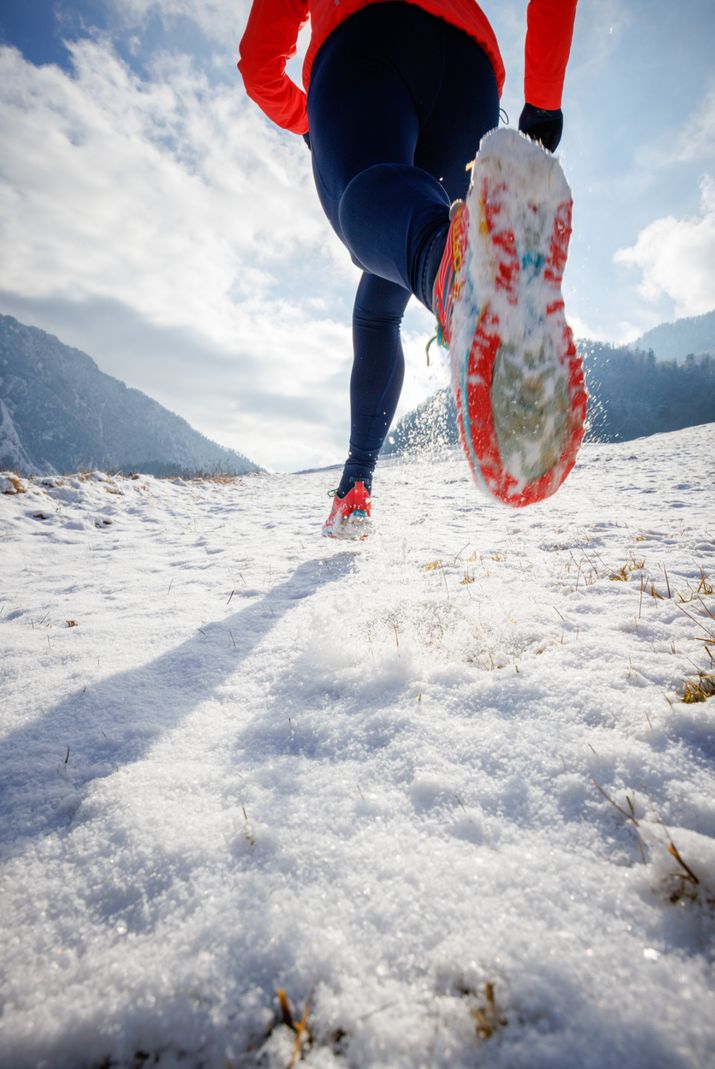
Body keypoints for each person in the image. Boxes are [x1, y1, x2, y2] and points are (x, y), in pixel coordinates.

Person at [239, 0, 579, 537]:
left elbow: (258, 64)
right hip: (468, 78)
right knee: (382, 297)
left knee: (367, 201)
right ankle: (355, 485)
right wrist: (542, 101)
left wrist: (315, 123)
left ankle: (454, 276)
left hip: (364, 46)